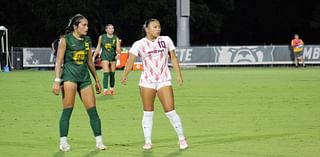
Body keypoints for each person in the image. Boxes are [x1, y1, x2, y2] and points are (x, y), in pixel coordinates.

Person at [121, 18, 188, 150]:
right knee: (148, 112)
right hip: (147, 82)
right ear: (147, 29)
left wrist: (178, 75)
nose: (158, 29)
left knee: (170, 111)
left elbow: (173, 57)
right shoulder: (139, 44)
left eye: (159, 27)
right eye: (154, 27)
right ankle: (148, 141)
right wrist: (125, 75)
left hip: (164, 80)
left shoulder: (166, 40)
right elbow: (130, 60)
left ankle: (181, 138)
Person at [52, 14, 107, 151]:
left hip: (85, 79)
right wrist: (57, 80)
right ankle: (63, 142)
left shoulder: (87, 40)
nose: (86, 28)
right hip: (69, 78)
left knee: (93, 111)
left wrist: (97, 80)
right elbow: (59, 61)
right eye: (84, 25)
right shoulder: (66, 40)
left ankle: (99, 142)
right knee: (67, 110)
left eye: (87, 25)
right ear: (75, 26)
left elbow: (89, 61)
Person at [93, 24, 121, 96]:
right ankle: (105, 90)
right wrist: (94, 56)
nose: (111, 30)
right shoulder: (102, 37)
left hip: (113, 57)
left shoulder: (116, 38)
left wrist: (118, 54)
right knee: (106, 73)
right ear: (106, 30)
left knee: (112, 74)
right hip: (104, 57)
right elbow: (98, 47)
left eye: (112, 28)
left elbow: (118, 48)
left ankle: (111, 89)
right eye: (110, 28)